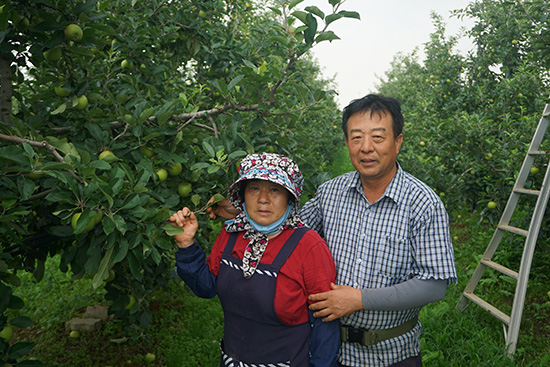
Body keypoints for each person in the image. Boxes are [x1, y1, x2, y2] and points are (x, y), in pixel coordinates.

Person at [209, 94, 457, 367]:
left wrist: (359, 299)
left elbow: (434, 285)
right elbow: (287, 228)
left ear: (397, 142)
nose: (366, 148)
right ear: (347, 142)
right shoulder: (331, 193)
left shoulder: (422, 203)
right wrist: (244, 211)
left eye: (377, 137)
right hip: (331, 350)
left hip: (392, 353)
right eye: (356, 137)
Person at [170, 153, 340, 367]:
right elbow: (206, 287)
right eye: (254, 188)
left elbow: (325, 323)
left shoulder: (308, 246)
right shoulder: (232, 234)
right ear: (242, 195)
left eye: (275, 189)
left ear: (290, 197)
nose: (263, 199)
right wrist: (186, 245)